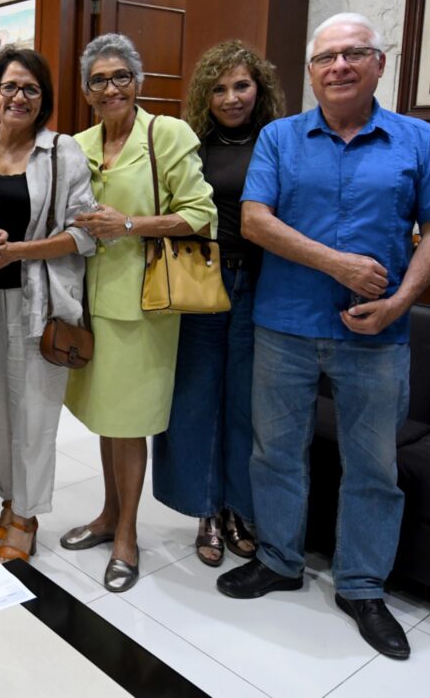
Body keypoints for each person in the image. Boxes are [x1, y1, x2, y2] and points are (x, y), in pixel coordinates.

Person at [216, 13, 430, 660]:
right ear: (311, 70)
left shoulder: (416, 140)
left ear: (379, 63)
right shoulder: (279, 138)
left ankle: (361, 584)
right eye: (327, 56)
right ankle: (278, 558)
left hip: (379, 336)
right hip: (284, 326)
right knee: (275, 452)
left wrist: (399, 300)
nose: (339, 66)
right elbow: (254, 221)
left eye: (355, 53)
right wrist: (338, 264)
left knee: (374, 467)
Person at [61, 33, 217, 592]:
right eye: (98, 80)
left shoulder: (166, 135)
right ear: (86, 91)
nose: (110, 88)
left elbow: (200, 213)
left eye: (120, 76)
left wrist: (130, 224)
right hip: (88, 305)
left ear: (139, 82)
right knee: (107, 420)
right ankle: (106, 515)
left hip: (144, 305)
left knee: (129, 427)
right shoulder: (76, 144)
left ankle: (126, 534)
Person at [150, 41, 285, 567]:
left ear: (260, 89)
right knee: (197, 399)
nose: (230, 97)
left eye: (241, 86)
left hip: (264, 282)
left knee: (247, 404)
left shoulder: (280, 140)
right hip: (200, 280)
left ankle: (238, 509)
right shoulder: (192, 145)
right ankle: (205, 510)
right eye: (219, 88)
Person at [0, 46, 97, 563]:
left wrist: (21, 251)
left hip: (38, 302)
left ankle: (26, 514)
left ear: (42, 99)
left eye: (31, 89)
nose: (18, 97)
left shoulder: (61, 152)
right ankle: (9, 500)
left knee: (36, 414)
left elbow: (85, 235)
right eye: (9, 87)